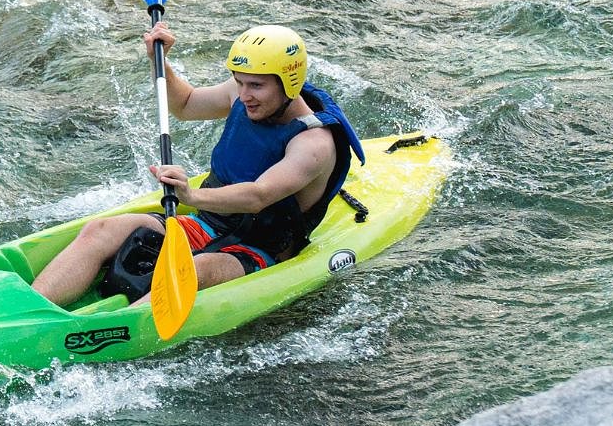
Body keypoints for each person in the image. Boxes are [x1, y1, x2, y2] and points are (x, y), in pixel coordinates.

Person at [31, 22, 365, 307]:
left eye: (257, 86)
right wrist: (160, 61)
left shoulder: (313, 144)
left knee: (191, 271)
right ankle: (32, 311)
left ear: (288, 82)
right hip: (208, 225)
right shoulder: (242, 94)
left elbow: (258, 196)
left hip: (260, 249)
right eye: (240, 81)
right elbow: (187, 104)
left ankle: (110, 330)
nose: (245, 94)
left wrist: (190, 195)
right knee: (98, 231)